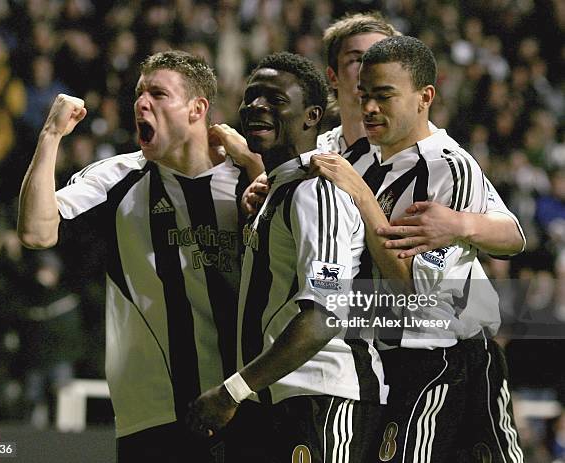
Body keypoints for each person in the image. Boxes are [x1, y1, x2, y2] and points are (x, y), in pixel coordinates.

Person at [17, 50, 263, 462]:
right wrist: (50, 136)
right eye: (139, 93)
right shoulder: (118, 176)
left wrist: (256, 164)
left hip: (245, 402)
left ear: (196, 108)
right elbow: (36, 231)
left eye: (159, 94)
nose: (141, 103)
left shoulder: (246, 177)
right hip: (153, 414)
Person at [310, 35, 524, 462]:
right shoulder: (360, 158)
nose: (370, 107)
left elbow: (417, 297)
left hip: (444, 361)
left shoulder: (450, 167)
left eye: (384, 97)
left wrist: (364, 200)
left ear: (425, 97)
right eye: (365, 96)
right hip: (382, 360)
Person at [187, 51, 388, 462]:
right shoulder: (279, 190)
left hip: (326, 396)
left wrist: (233, 391)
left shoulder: (317, 192)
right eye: (252, 96)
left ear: (311, 116)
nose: (257, 106)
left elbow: (323, 317)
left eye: (276, 100)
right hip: (282, 396)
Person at [243, 12, 525, 258]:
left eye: (381, 53)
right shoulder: (318, 151)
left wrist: (463, 224)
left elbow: (512, 234)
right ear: (333, 76)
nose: (372, 65)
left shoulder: (442, 159)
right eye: (358, 59)